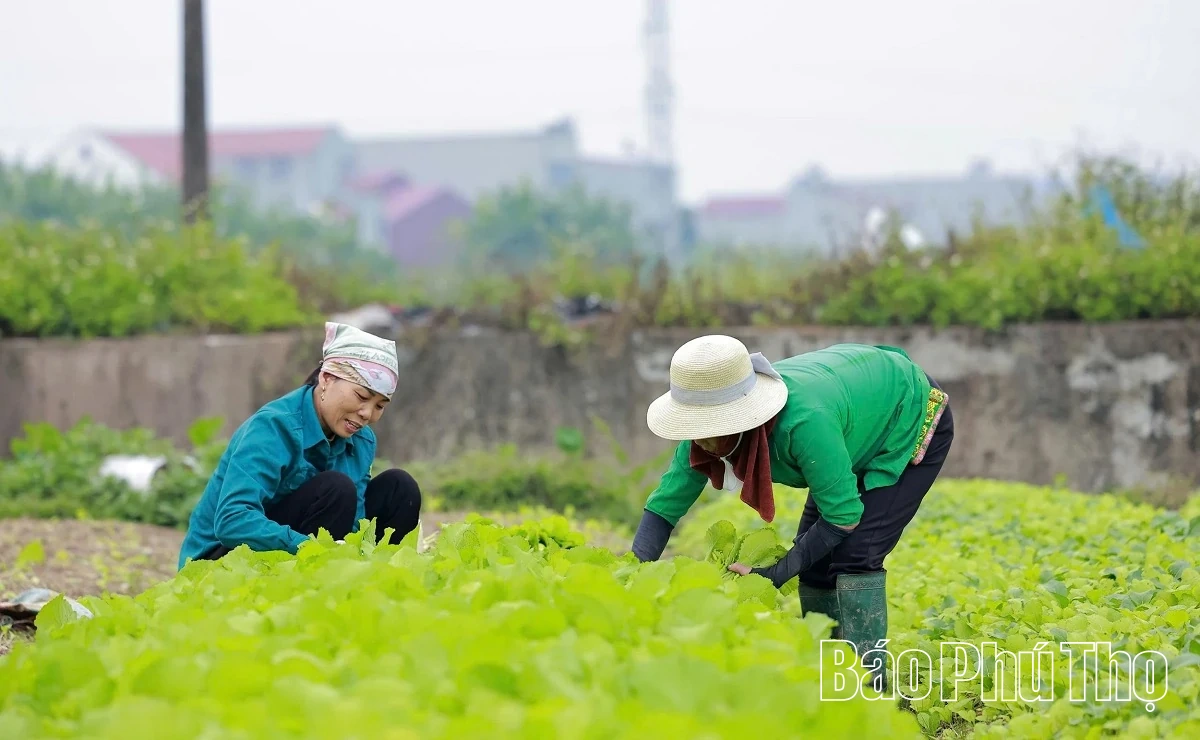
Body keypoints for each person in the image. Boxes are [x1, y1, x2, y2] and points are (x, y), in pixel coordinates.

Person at [630, 334, 954, 691]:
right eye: (696, 427)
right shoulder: (703, 437)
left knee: (855, 554)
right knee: (815, 560)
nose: (703, 440)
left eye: (712, 427)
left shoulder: (802, 423)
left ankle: (868, 686)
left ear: (742, 417)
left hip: (905, 409)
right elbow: (666, 505)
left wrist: (776, 573)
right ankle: (830, 672)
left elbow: (842, 517)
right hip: (850, 416)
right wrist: (633, 577)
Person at [178, 322, 422, 569]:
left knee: (399, 488)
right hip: (221, 562)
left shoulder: (361, 440)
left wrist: (354, 556)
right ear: (326, 378)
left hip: (296, 552)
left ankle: (384, 580)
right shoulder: (272, 427)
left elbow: (354, 524)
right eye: (361, 397)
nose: (367, 413)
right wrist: (309, 548)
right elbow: (233, 521)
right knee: (336, 489)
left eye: (380, 406)